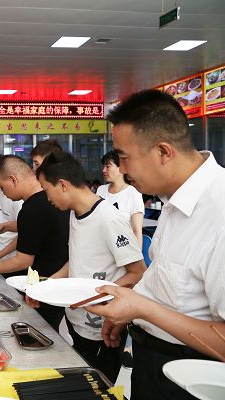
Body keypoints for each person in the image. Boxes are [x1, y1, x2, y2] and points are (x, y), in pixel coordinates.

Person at [85, 89, 225, 400]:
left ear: (163, 152)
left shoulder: (219, 213)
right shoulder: (174, 200)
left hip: (191, 378)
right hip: (151, 361)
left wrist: (142, 308)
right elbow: (171, 287)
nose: (121, 170)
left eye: (124, 158)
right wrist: (131, 308)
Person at [34, 151, 146, 382]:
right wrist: (45, 285)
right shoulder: (75, 213)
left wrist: (96, 295)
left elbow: (138, 272)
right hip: (76, 318)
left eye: (46, 190)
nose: (47, 198)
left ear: (63, 185)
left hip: (103, 326)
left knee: (99, 386)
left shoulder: (108, 218)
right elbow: (77, 259)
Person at [0, 155, 69, 331]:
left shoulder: (32, 208)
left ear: (13, 179)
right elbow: (37, 230)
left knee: (44, 331)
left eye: (2, 187)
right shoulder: (48, 199)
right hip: (59, 279)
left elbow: (22, 261)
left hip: (45, 285)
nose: (3, 193)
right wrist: (7, 226)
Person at [96, 150, 144, 246]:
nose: (104, 170)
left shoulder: (133, 193)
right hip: (101, 247)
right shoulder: (101, 190)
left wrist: (137, 254)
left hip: (123, 248)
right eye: (103, 166)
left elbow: (137, 231)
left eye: (108, 166)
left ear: (121, 168)